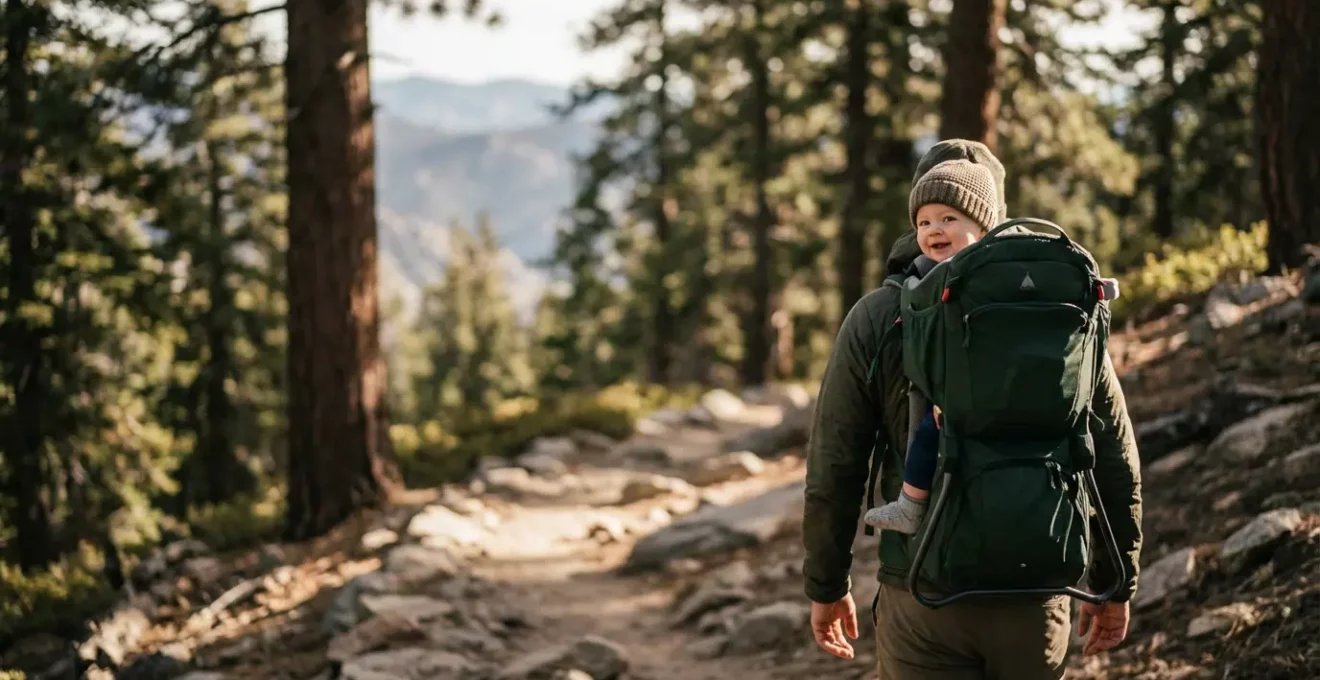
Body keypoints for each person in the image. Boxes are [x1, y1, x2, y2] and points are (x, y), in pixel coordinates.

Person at [801, 139, 1143, 679]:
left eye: (949, 215)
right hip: (1037, 585)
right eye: (928, 218)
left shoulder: (882, 315)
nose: (936, 227)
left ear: (981, 221)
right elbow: (1112, 452)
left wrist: (825, 584)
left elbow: (835, 463)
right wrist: (1115, 579)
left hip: (922, 589)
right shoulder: (1061, 310)